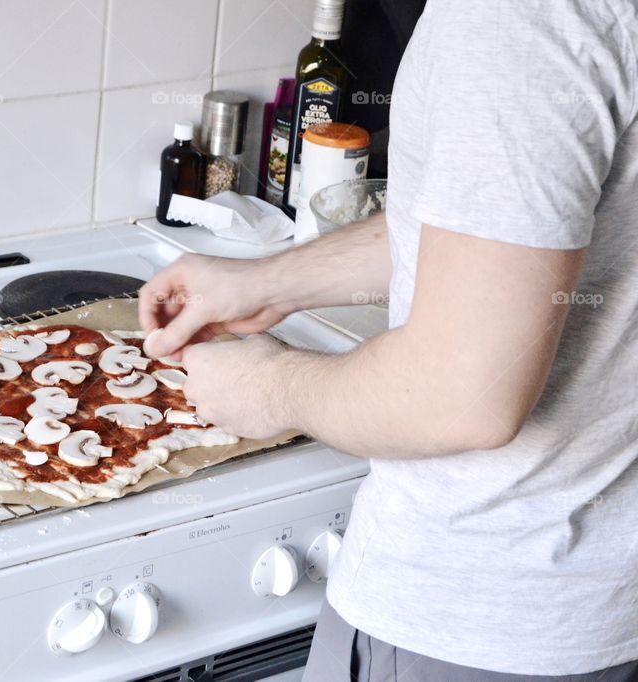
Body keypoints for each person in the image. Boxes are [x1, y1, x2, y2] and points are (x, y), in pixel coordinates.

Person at [138, 1, 638, 680]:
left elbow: (460, 394)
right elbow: (501, 232)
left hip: (481, 613)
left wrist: (270, 387)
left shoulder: (514, 20)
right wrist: (273, 281)